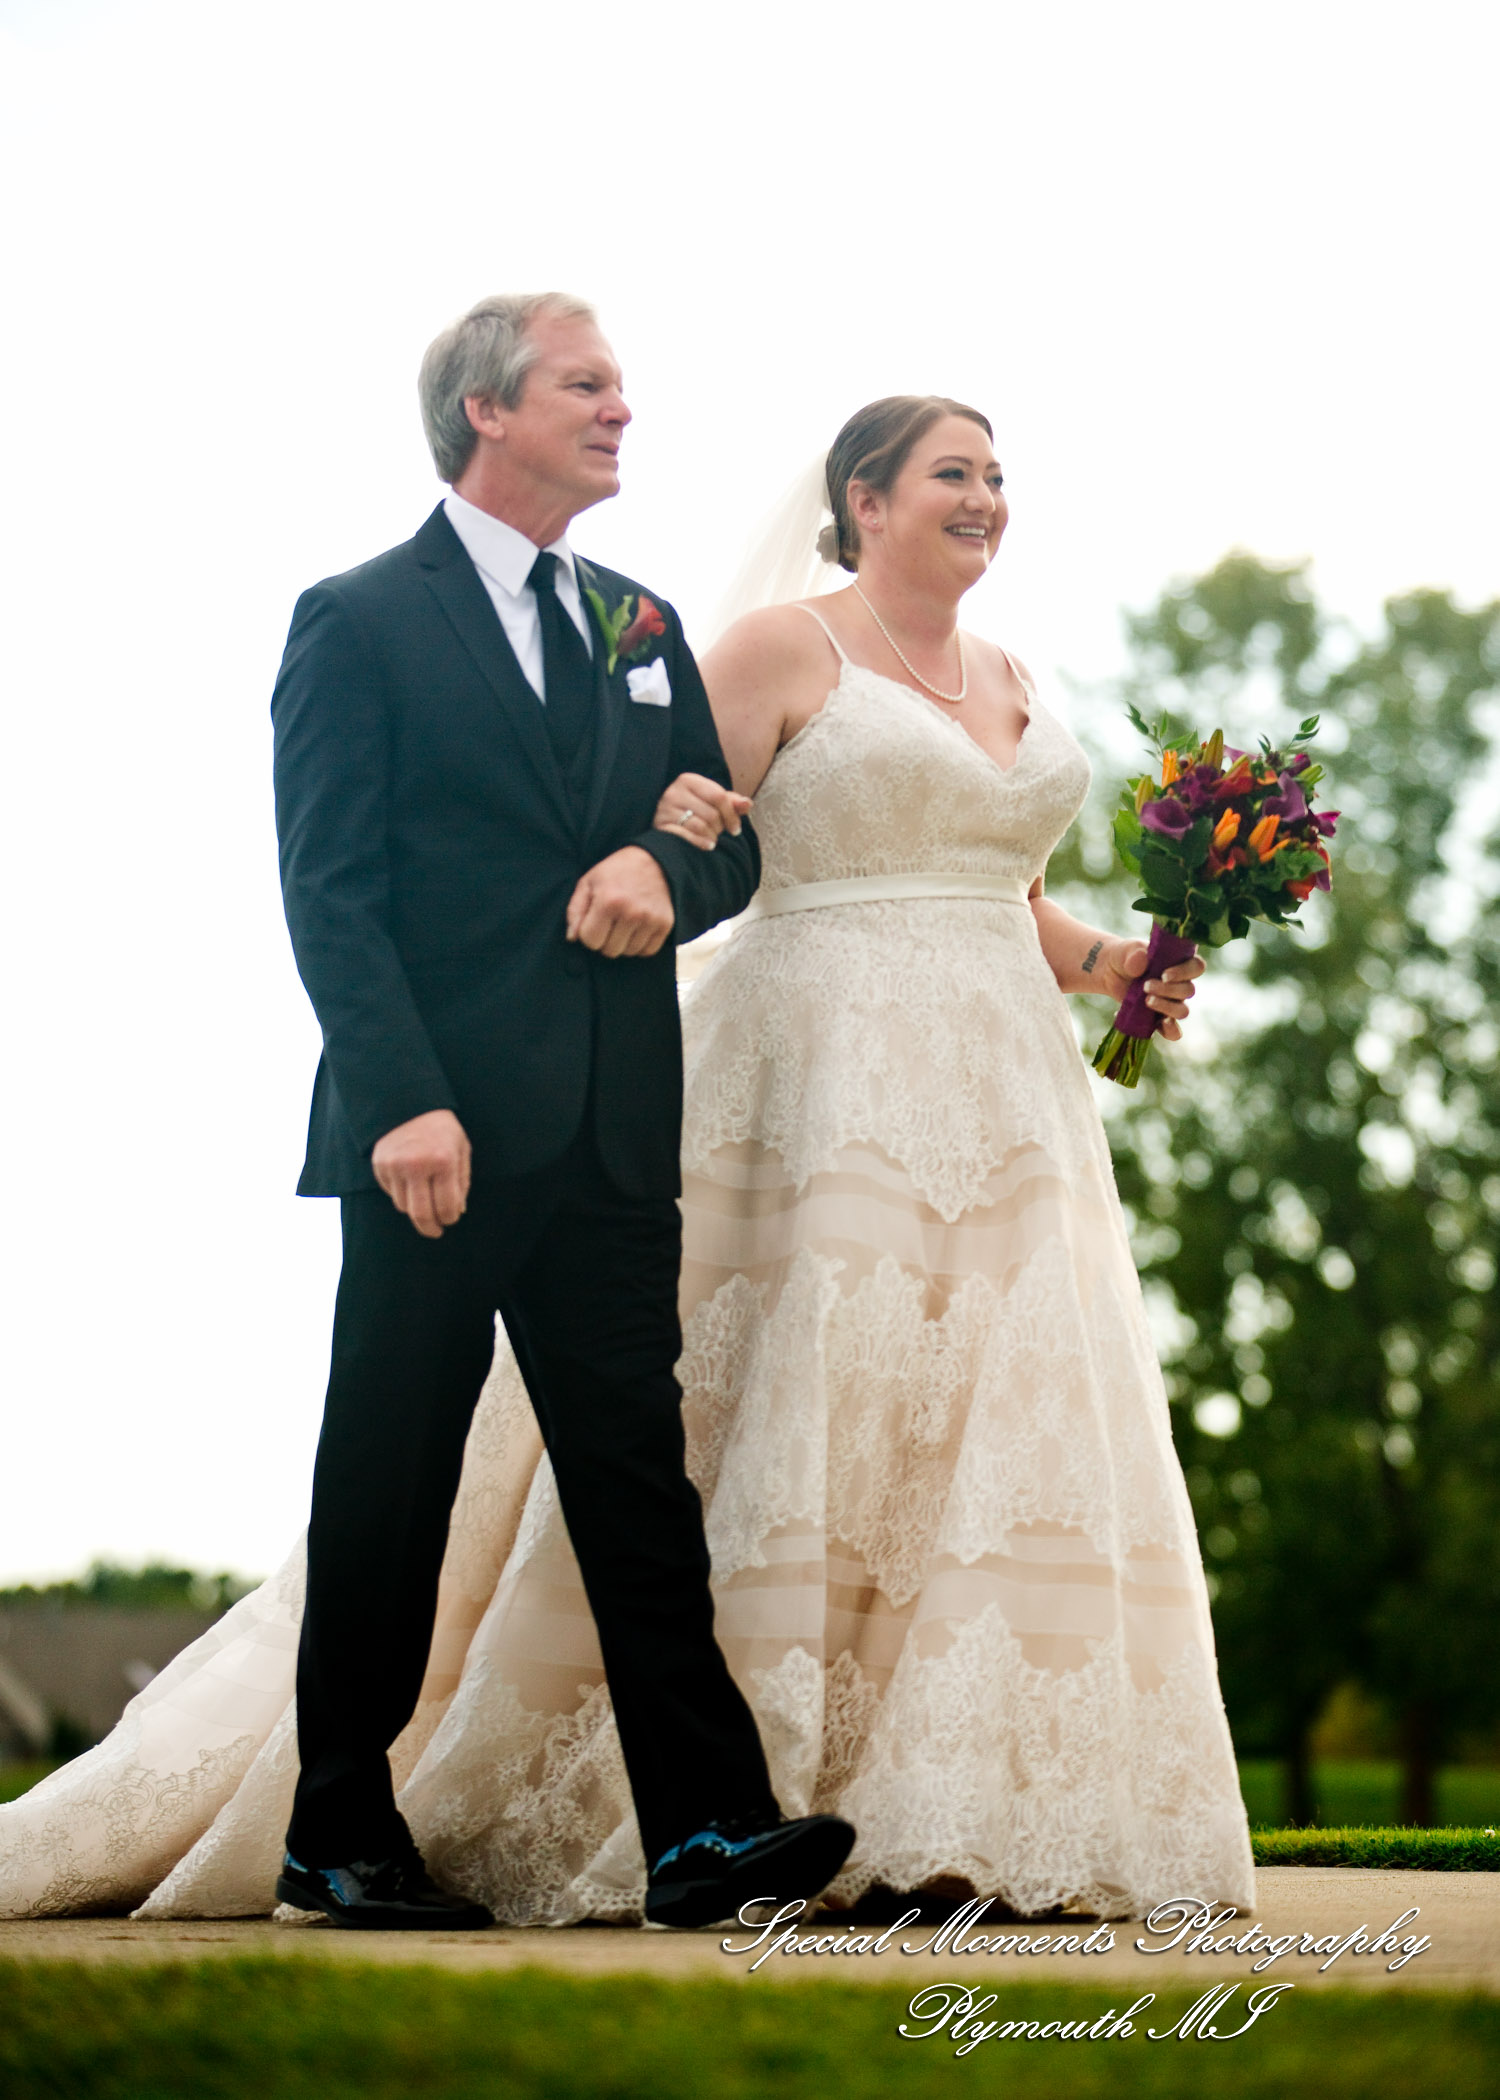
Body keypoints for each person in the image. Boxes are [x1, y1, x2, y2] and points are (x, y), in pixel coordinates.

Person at [0, 391, 1253, 1929]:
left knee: (923, 1449)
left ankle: (878, 1804)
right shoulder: (751, 645)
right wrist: (561, 952)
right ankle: (448, 1810)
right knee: (700, 1434)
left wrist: (1114, 960)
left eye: (1001, 475)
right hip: (798, 1096)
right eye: (954, 472)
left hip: (1000, 1108)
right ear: (860, 499)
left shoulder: (987, 669)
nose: (989, 497)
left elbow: (994, 888)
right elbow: (651, 832)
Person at [0, 293, 853, 1934]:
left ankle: (705, 1833)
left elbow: (734, 845)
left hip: (611, 1130)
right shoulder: (357, 619)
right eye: (586, 384)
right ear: (486, 412)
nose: (623, 407)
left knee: (633, 1481)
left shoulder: (640, 619)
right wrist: (402, 1099)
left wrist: (664, 865)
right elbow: (329, 885)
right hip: (434, 1137)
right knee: (386, 1474)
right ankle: (337, 1831)